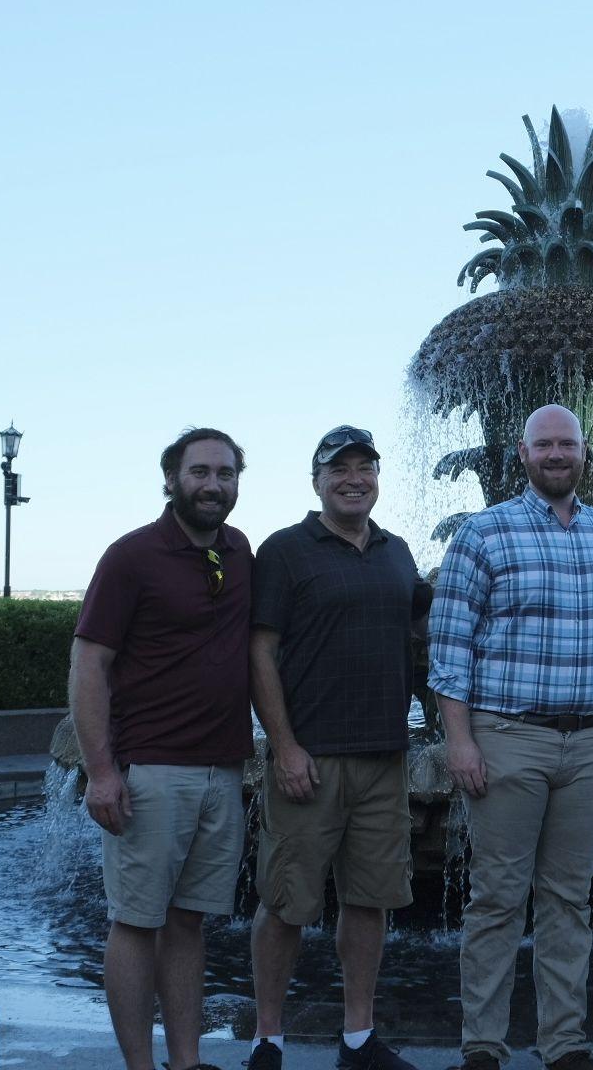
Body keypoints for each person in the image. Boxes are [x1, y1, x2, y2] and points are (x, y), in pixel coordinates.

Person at [428, 404, 593, 1070]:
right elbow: (449, 646)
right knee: (497, 898)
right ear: (522, 454)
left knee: (568, 899)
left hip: (592, 743)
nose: (555, 453)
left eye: (566, 443)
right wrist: (459, 741)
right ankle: (482, 1045)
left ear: (583, 453)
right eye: (543, 444)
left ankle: (564, 1042)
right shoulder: (484, 532)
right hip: (507, 737)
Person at [247, 426, 432, 1070]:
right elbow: (260, 653)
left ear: (377, 478)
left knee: (370, 900)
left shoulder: (396, 551)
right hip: (310, 759)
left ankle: (358, 1036)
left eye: (365, 468)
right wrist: (284, 747)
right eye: (340, 469)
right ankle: (268, 1038)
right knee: (285, 902)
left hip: (385, 757)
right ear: (317, 480)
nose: (354, 479)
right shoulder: (284, 551)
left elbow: (425, 623)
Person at [69, 427, 252, 1070]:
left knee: (188, 923)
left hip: (222, 770)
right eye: (199, 472)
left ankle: (185, 1061)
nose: (213, 485)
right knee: (135, 922)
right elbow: (89, 664)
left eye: (225, 473)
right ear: (172, 479)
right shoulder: (131, 556)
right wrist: (101, 772)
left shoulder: (238, 549)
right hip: (151, 771)